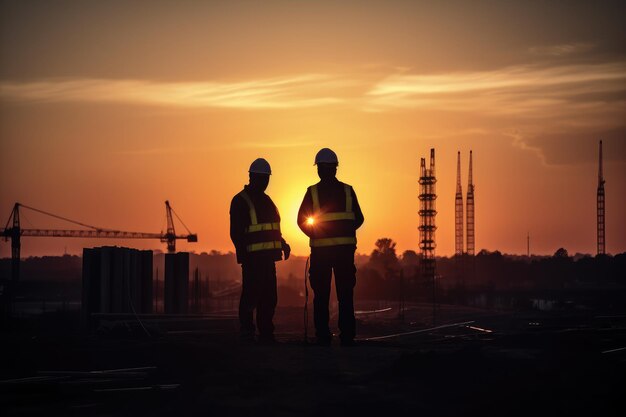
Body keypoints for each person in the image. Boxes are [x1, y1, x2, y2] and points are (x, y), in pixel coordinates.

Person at [297, 148, 364, 346]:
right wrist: (345, 233)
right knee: (345, 295)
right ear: (335, 168)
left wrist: (317, 234)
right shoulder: (347, 191)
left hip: (321, 253)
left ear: (318, 169)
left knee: (321, 295)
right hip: (344, 253)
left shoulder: (313, 192)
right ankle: (347, 335)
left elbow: (301, 221)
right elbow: (359, 218)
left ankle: (323, 335)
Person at [230, 158, 291, 344]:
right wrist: (245, 257)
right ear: (252, 177)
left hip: (268, 260)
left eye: (267, 179)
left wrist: (282, 243)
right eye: (262, 178)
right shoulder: (241, 200)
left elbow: (271, 229)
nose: (265, 182)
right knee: (250, 297)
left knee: (269, 298)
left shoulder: (267, 200)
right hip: (253, 260)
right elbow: (236, 234)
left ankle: (266, 333)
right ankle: (247, 332)